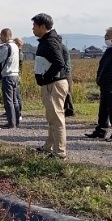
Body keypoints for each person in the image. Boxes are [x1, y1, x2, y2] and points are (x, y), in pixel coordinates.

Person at [31, 13, 69, 159]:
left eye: (34, 26)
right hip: (50, 84)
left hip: (54, 84)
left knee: (57, 118)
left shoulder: (50, 42)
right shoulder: (47, 40)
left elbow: (59, 63)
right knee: (51, 117)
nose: (32, 28)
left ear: (42, 26)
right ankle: (49, 146)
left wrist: (47, 77)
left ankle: (60, 153)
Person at [85, 27, 112, 142]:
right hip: (105, 85)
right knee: (103, 110)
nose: (105, 38)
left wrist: (104, 80)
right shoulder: (109, 50)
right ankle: (100, 131)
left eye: (107, 36)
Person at [0, 28, 20, 129]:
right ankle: (16, 120)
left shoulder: (6, 47)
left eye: (1, 36)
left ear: (6, 35)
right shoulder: (16, 46)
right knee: (15, 100)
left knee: (8, 100)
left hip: (8, 76)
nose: (0, 38)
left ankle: (11, 122)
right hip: (16, 75)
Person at [57, 36, 75, 117]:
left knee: (67, 92)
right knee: (67, 92)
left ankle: (70, 110)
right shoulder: (63, 47)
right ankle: (67, 109)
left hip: (65, 72)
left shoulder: (61, 48)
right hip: (67, 72)